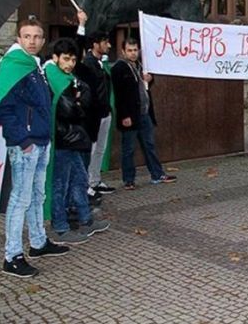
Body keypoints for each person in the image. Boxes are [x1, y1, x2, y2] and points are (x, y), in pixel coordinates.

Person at [0, 17, 70, 278]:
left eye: (37, 37)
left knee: (38, 195)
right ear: (18, 38)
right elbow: (2, 110)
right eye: (27, 36)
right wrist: (23, 140)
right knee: (20, 199)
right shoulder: (14, 65)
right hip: (25, 144)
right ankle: (12, 255)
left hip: (40, 140)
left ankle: (38, 242)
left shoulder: (34, 65)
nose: (33, 41)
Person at [44, 38, 110, 245]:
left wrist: (79, 102)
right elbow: (70, 109)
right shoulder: (54, 76)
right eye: (66, 59)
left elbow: (86, 99)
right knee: (60, 184)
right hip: (63, 138)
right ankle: (61, 226)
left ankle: (85, 219)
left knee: (79, 180)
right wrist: (79, 102)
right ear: (55, 58)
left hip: (73, 137)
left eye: (73, 59)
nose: (70, 63)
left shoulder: (68, 77)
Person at [112, 38, 177, 190]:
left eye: (135, 50)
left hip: (144, 112)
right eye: (130, 50)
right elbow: (119, 95)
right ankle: (129, 179)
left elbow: (144, 86)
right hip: (130, 115)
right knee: (128, 148)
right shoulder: (119, 68)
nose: (133, 53)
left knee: (149, 145)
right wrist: (124, 116)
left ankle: (157, 174)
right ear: (123, 52)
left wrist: (149, 79)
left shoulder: (142, 65)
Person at [74, 13, 115, 197]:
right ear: (96, 44)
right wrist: (81, 25)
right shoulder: (87, 63)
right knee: (91, 149)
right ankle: (86, 184)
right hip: (93, 116)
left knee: (100, 149)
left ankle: (95, 180)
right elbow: (76, 49)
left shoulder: (100, 64)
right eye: (105, 42)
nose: (109, 45)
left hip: (105, 113)